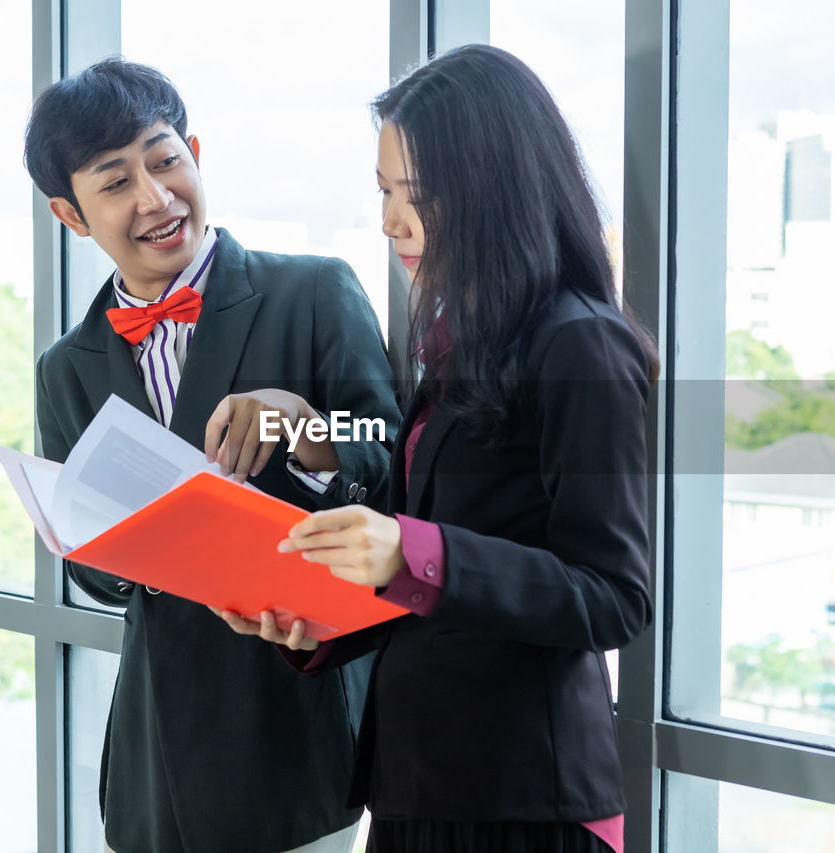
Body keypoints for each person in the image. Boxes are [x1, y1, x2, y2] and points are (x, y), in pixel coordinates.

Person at [216, 44, 657, 853]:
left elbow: (614, 596)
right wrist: (318, 621)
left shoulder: (583, 344)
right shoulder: (463, 338)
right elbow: (421, 558)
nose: (389, 220)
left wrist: (414, 552)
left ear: (495, 190)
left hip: (527, 806)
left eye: (414, 196)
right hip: (421, 786)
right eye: (384, 191)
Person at [24, 58, 400, 853]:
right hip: (156, 753)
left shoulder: (314, 292)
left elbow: (394, 450)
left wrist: (309, 430)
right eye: (115, 180)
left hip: (300, 729)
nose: (155, 198)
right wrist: (111, 541)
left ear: (194, 151)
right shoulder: (68, 365)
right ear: (70, 213)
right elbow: (93, 575)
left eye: (165, 160)